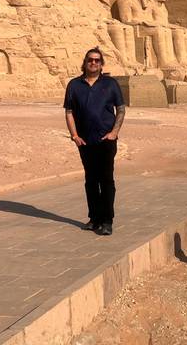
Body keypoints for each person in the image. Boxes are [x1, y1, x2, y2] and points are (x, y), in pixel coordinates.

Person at [64, 47, 125, 236]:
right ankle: (94, 217)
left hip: (106, 139)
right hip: (85, 140)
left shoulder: (110, 83)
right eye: (90, 60)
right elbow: (69, 112)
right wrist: (74, 135)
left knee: (106, 179)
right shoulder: (75, 85)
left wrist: (114, 132)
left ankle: (107, 220)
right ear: (85, 62)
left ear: (101, 64)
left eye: (97, 60)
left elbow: (121, 109)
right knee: (90, 180)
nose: (93, 63)